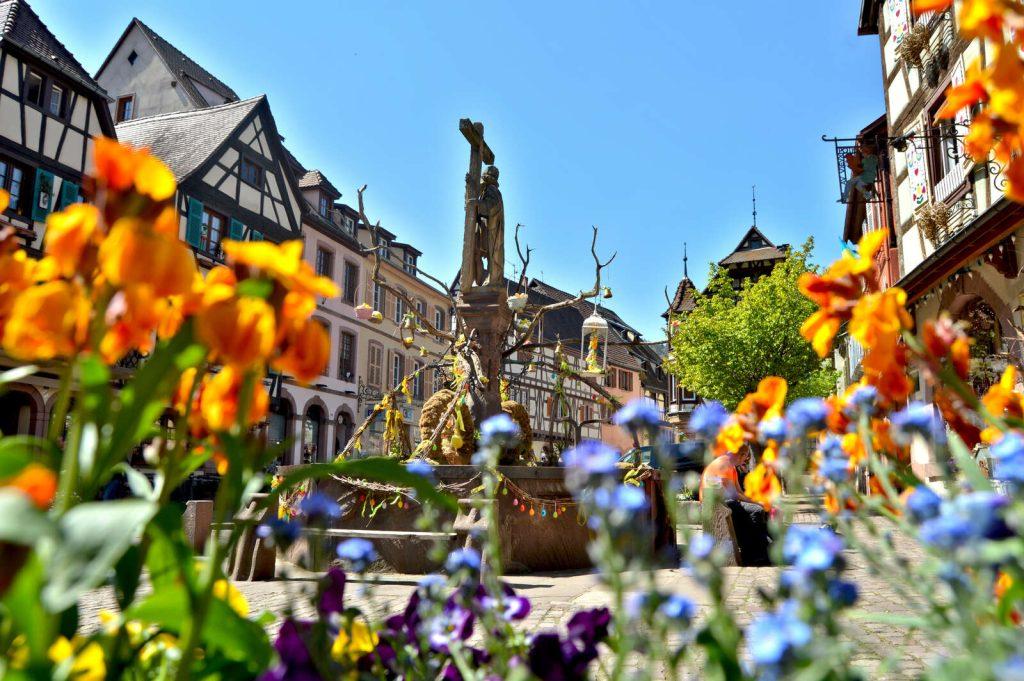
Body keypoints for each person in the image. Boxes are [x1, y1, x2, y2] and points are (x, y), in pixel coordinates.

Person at [698, 443, 771, 566]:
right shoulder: (724, 464)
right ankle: (753, 554)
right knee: (756, 510)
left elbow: (739, 492)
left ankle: (764, 549)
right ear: (741, 455)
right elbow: (734, 495)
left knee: (762, 510)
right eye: (746, 458)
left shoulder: (731, 467)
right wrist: (758, 503)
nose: (746, 461)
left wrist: (760, 501)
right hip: (714, 505)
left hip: (725, 502)